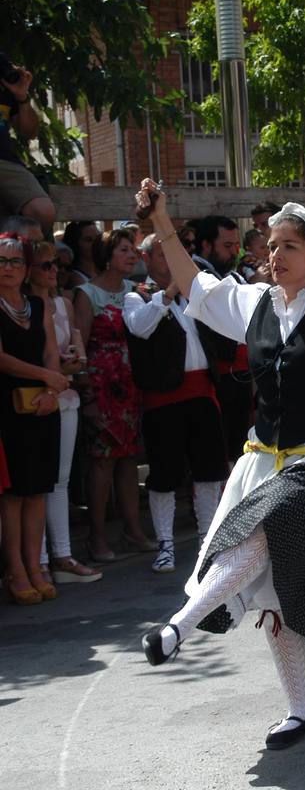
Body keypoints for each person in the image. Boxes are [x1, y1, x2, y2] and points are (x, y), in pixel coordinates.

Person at [135, 177, 305, 751]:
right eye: (269, 246)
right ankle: (297, 710)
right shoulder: (254, 304)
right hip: (263, 460)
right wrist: (161, 219)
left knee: (269, 523)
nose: (274, 255)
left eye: (288, 246)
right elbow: (195, 284)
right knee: (278, 587)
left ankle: (180, 625)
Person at [123, 234, 228, 575]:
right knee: (164, 475)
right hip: (163, 400)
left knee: (209, 471)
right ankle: (165, 545)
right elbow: (140, 328)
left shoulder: (191, 294)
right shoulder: (135, 297)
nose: (173, 262)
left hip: (202, 394)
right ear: (147, 257)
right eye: (165, 255)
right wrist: (167, 294)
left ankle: (207, 541)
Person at [73, 228, 152, 563]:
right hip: (102, 388)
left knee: (129, 460)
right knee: (102, 463)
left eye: (133, 250)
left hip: (130, 387)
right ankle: (97, 536)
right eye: (123, 250)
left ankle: (133, 531)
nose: (132, 255)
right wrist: (87, 395)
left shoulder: (136, 292)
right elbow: (79, 345)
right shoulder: (86, 294)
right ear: (107, 255)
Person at [27, 240, 99, 584]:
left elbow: (77, 349)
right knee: (35, 483)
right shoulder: (23, 306)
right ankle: (37, 561)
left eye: (56, 264)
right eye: (45, 265)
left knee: (60, 480)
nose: (54, 270)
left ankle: (62, 556)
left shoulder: (63, 303)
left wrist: (72, 364)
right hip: (33, 398)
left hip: (64, 394)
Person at [0, 233, 64, 603]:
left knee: (39, 490)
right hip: (7, 406)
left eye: (16, 262)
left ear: (26, 269)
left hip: (42, 404)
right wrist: (46, 378)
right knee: (12, 495)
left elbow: (50, 351)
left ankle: (36, 567)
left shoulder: (38, 305)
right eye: (2, 261)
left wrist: (51, 391)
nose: (8, 268)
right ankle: (16, 571)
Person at [193, 215, 253, 461]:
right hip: (217, 376)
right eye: (227, 246)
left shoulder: (231, 274)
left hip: (240, 372)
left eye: (236, 246)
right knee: (221, 448)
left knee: (239, 442)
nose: (235, 252)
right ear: (206, 246)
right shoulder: (198, 274)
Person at [0, 55, 56, 232]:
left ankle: (21, 257)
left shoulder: (2, 69)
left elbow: (30, 132)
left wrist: (22, 96)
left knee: (43, 212)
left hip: (4, 161)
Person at [61, 221, 99, 290]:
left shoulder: (103, 270)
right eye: (88, 240)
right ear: (75, 244)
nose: (95, 243)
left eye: (98, 238)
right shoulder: (76, 278)